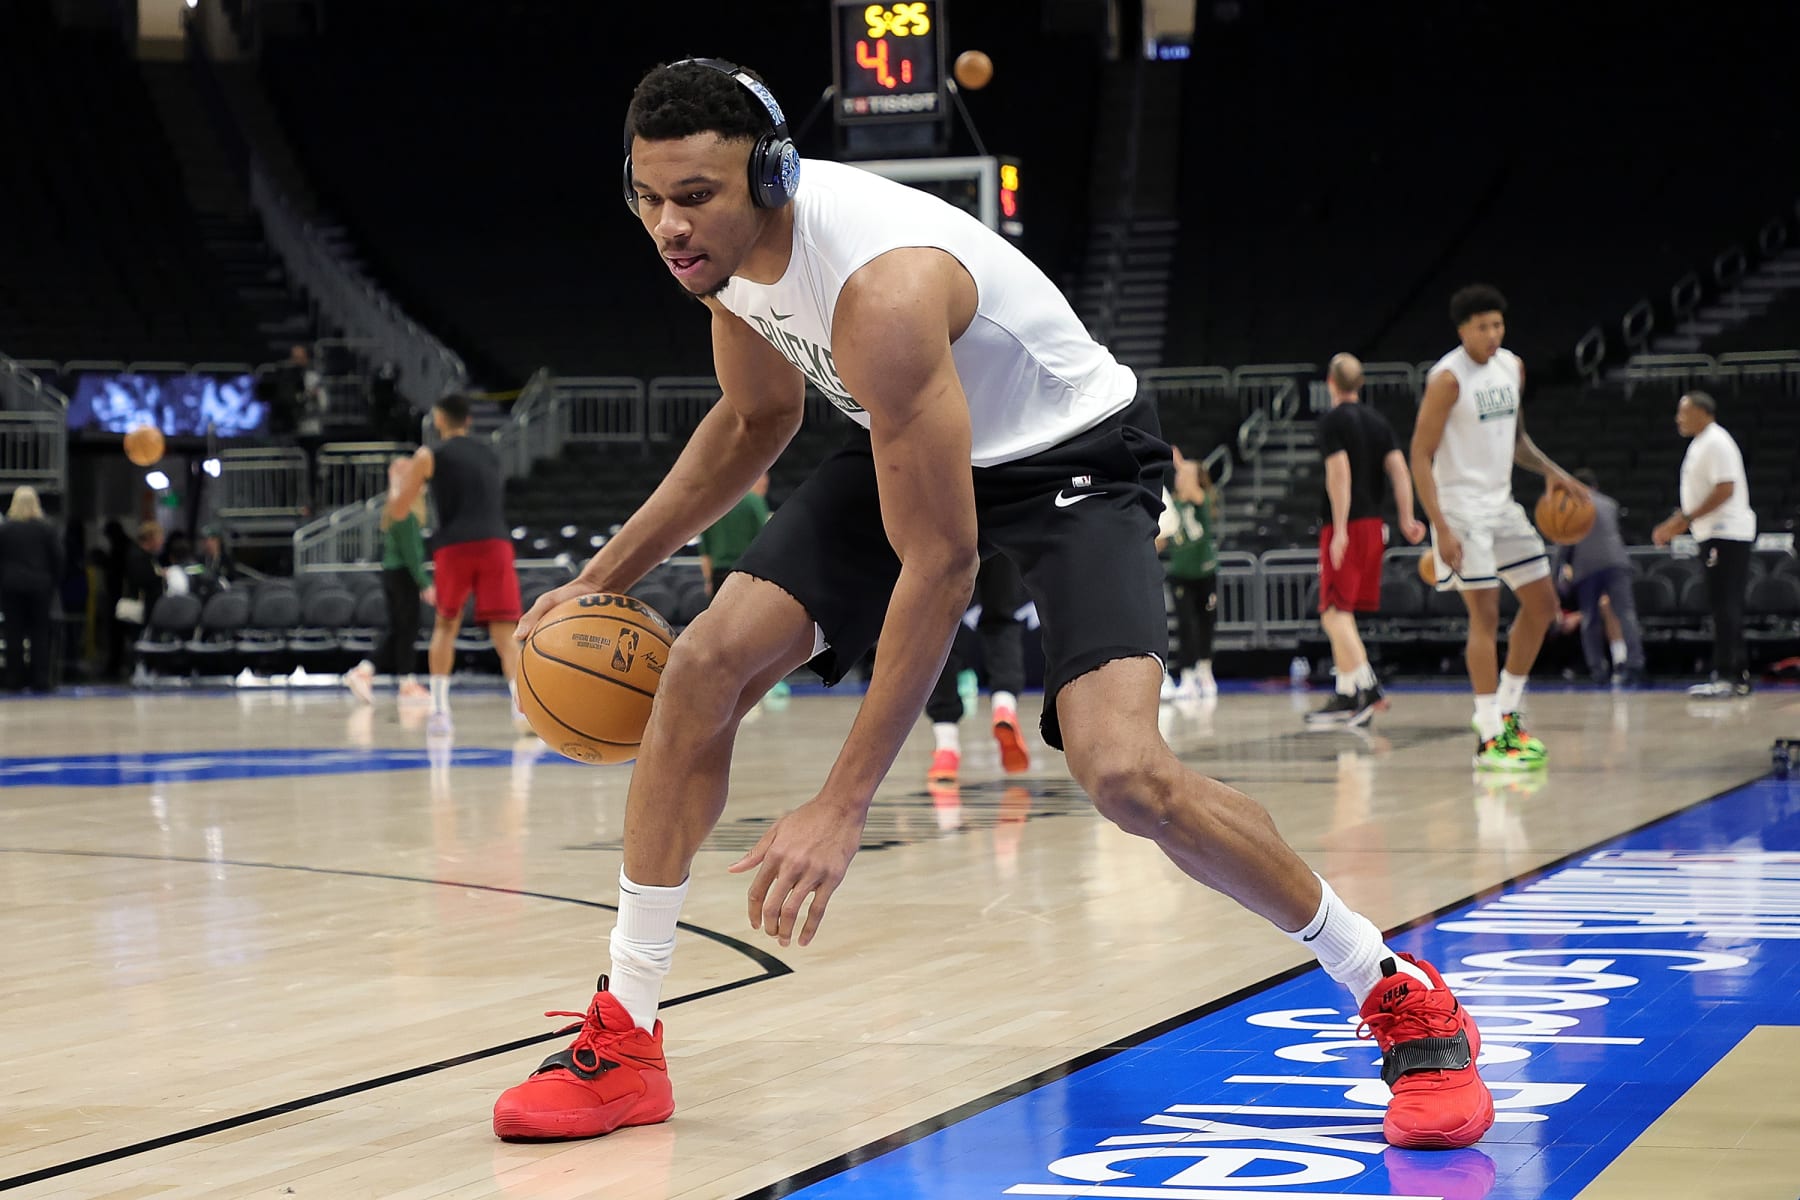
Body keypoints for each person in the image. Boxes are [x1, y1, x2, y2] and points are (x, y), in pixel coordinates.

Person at [490, 59, 1492, 1153]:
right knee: (700, 666)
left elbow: (943, 567)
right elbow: (753, 419)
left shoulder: (881, 290)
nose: (670, 226)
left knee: (1125, 773)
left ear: (770, 177)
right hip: (912, 436)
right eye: (648, 197)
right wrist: (601, 579)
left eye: (696, 197)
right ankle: (628, 1033)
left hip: (1073, 461)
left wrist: (841, 803)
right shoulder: (719, 263)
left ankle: (1392, 987)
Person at [1411, 284, 1586, 770]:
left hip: (1501, 505)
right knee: (1485, 614)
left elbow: (1517, 439)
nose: (1492, 334)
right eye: (1482, 327)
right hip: (1461, 509)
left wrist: (1553, 472)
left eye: (1498, 325)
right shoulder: (1448, 379)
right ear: (1462, 330)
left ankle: (1507, 708)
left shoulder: (1512, 367)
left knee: (1544, 603)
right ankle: (1488, 732)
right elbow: (1419, 455)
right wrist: (1440, 526)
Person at [391, 393, 527, 734]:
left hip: (455, 545)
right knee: (505, 633)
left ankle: (440, 712)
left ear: (439, 419)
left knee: (445, 627)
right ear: (468, 420)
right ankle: (522, 711)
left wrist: (404, 487)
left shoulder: (428, 455)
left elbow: (399, 510)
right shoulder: (490, 454)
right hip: (496, 542)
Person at [1305, 354, 1424, 726]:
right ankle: (1346, 693)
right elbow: (1400, 470)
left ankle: (1368, 688)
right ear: (1360, 383)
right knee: (1342, 612)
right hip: (1375, 525)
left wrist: (1340, 528)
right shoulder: (1378, 421)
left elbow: (1339, 474)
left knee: (1333, 613)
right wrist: (1406, 517)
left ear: (1330, 382)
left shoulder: (1332, 421)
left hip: (1348, 525)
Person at [1653, 390, 1755, 697]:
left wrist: (1684, 519)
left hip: (1725, 532)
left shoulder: (1715, 441)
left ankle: (1727, 676)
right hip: (1715, 533)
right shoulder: (1703, 442)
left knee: (1725, 605)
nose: (1678, 419)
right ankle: (1736, 674)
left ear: (1702, 412)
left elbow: (1725, 489)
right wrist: (1681, 520)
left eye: (1683, 412)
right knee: (1723, 605)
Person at [922, 555, 1031, 783]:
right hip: (1001, 537)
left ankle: (946, 747)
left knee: (940, 626)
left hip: (947, 536)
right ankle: (1004, 706)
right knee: (1001, 618)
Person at [345, 458, 437, 706]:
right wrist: (425, 583)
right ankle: (385, 676)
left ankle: (381, 675)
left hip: (394, 574)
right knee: (406, 629)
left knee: (400, 629)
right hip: (402, 574)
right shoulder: (405, 510)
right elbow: (411, 553)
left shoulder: (395, 506)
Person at [1554, 468, 1643, 686]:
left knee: (1590, 619)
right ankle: (1635, 664)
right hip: (1617, 563)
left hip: (1587, 567)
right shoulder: (1610, 504)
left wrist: (1554, 577)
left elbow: (1563, 546)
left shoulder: (1570, 507)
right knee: (1626, 614)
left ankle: (1597, 670)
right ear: (1595, 487)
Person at [1155, 446, 1222, 702]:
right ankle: (1187, 676)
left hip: (1205, 573)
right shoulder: (1171, 505)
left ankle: (1205, 671)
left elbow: (1195, 492)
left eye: (1185, 474)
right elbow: (1162, 539)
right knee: (1186, 624)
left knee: (1206, 624)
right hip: (1181, 574)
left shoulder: (1202, 499)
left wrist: (1183, 465)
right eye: (1178, 474)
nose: (1179, 477)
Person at [0, 486, 64, 693]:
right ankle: (40, 679)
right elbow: (58, 558)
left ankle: (14, 679)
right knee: (40, 633)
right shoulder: (47, 528)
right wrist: (52, 581)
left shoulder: (5, 529)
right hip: (40, 587)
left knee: (14, 633)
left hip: (11, 587)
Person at [698, 472, 770, 595]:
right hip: (747, 572)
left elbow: (705, 552)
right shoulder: (755, 501)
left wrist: (708, 580)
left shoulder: (712, 504)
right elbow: (765, 542)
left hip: (718, 573)